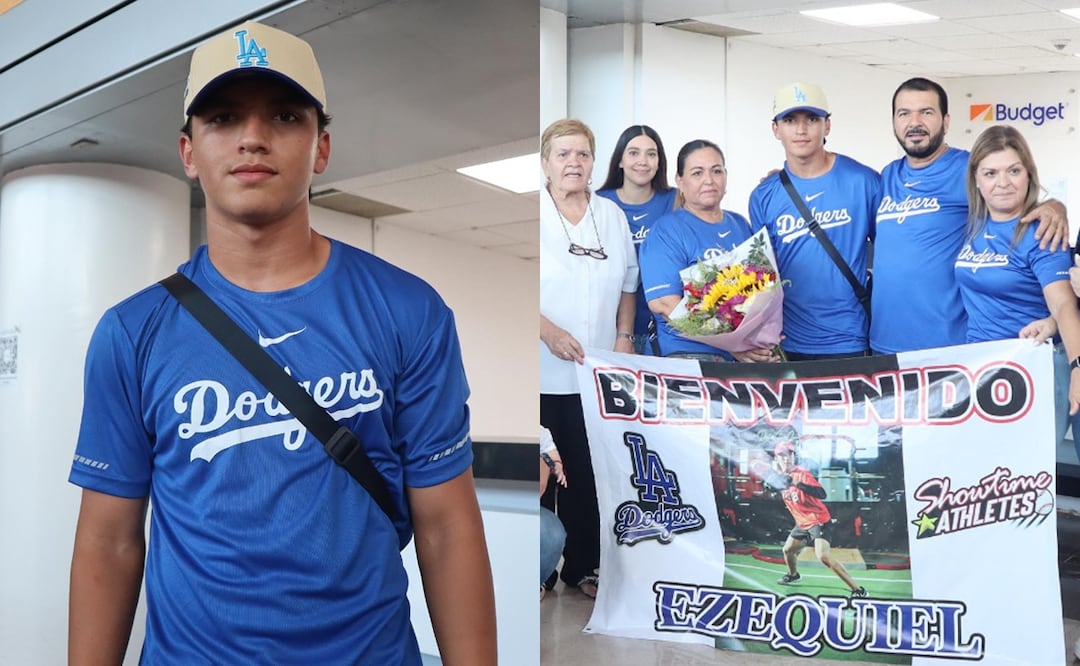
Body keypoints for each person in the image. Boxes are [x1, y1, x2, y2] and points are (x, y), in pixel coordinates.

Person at [67, 22, 496, 665]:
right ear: (188, 151)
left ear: (321, 146)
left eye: (285, 115)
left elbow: (447, 525)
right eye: (223, 117)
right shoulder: (132, 333)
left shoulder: (409, 311)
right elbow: (110, 540)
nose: (252, 138)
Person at [872, 77, 1069, 355]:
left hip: (947, 345)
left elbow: (1014, 195)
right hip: (886, 344)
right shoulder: (887, 176)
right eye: (904, 113)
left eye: (926, 112)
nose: (914, 122)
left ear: (946, 121)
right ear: (894, 121)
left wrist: (1054, 206)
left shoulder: (967, 169)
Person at [540, 118, 637, 598]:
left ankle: (583, 566)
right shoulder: (532, 214)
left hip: (595, 373)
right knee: (541, 478)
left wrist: (624, 335)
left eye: (582, 154)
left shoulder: (611, 216)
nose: (573, 163)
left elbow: (628, 284)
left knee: (587, 475)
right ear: (545, 164)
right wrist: (549, 332)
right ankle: (538, 568)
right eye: (563, 154)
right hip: (538, 373)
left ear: (594, 163)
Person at [955, 125, 1080, 448]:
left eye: (1013, 170)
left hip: (1029, 370)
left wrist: (1078, 366)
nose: (1003, 183)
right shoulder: (973, 225)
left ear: (1029, 174)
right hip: (979, 368)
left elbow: (1064, 304)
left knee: (1025, 479)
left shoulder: (1042, 233)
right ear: (977, 181)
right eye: (991, 173)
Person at [749, 82, 880, 361]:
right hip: (787, 343)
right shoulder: (763, 196)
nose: (801, 129)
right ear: (776, 129)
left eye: (811, 119)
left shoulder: (863, 182)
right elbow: (761, 276)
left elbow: (891, 256)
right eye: (789, 120)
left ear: (827, 126)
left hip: (850, 339)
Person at [639, 139, 772, 362]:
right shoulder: (666, 231)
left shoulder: (740, 224)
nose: (709, 180)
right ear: (680, 181)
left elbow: (762, 287)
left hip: (742, 358)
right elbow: (664, 304)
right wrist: (732, 344)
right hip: (686, 356)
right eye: (697, 173)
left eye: (716, 171)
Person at [597, 125, 677, 354]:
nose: (643, 161)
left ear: (659, 162)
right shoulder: (599, 204)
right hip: (613, 333)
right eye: (633, 153)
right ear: (619, 161)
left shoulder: (675, 200)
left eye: (651, 154)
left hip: (664, 329)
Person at [769, 441, 867, 598]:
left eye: (789, 455)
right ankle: (793, 575)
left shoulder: (802, 474)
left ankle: (858, 590)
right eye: (782, 456)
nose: (786, 459)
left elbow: (821, 494)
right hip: (802, 523)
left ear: (794, 457)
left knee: (823, 556)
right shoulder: (780, 479)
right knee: (787, 550)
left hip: (818, 520)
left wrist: (797, 484)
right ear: (776, 459)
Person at [539, 426, 567, 601]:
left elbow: (554, 457)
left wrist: (557, 468)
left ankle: (537, 580)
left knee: (552, 532)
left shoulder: (542, 433)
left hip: (535, 506)